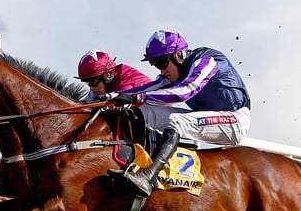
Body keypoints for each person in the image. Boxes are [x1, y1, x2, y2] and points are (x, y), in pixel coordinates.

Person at [106, 29, 251, 197]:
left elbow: (186, 91)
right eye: (156, 65)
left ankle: (147, 176)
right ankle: (131, 162)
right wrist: (114, 96)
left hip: (234, 120)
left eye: (162, 63)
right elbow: (146, 89)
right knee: (143, 111)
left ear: (179, 55)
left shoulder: (207, 60)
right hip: (209, 118)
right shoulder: (174, 73)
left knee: (177, 120)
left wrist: (141, 96)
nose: (161, 71)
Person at [75, 50, 152, 101]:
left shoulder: (126, 83)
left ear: (107, 75)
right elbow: (84, 103)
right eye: (88, 83)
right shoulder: (100, 86)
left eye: (93, 81)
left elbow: (116, 102)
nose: (91, 88)